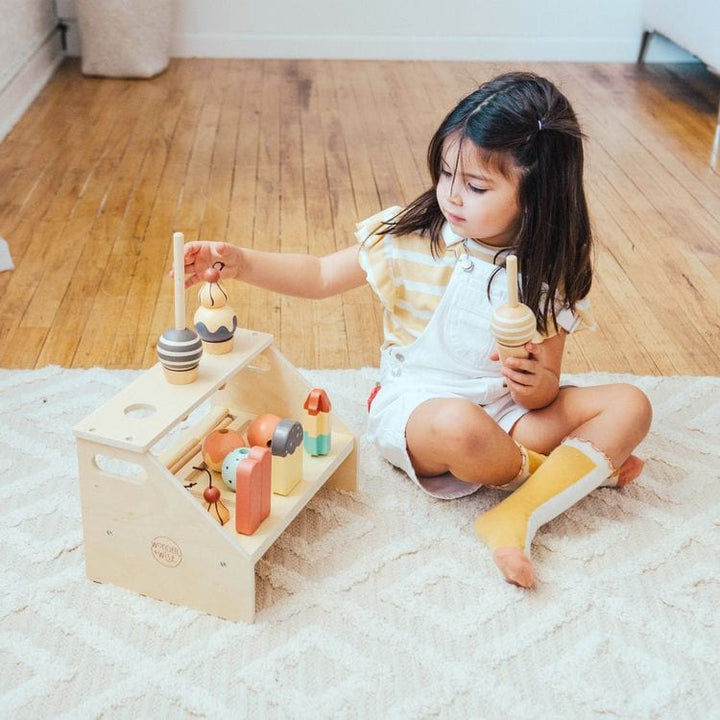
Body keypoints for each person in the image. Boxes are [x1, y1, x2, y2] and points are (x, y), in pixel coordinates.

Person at [179, 72, 652, 588]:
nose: (452, 195)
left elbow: (542, 394)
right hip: (419, 410)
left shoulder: (547, 271)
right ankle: (569, 474)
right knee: (460, 425)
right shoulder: (412, 237)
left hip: (507, 415)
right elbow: (318, 276)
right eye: (446, 173)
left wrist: (533, 383)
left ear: (536, 196)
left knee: (631, 404)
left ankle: (517, 512)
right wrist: (242, 263)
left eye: (475, 187)